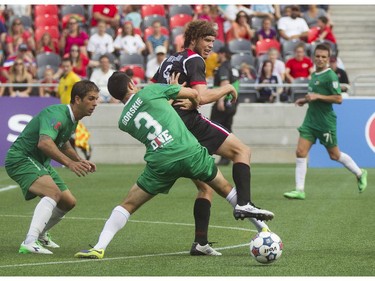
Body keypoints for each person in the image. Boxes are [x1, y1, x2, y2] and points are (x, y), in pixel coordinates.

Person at [74, 71, 274, 259]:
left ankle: (99, 247)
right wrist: (178, 91)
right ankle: (263, 229)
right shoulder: (152, 90)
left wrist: (166, 97)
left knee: (128, 204)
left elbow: (155, 113)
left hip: (161, 163)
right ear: (131, 84)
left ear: (116, 97)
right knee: (225, 189)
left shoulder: (123, 121)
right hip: (188, 152)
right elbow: (193, 93)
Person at [152, 20, 272, 256]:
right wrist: (226, 88)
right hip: (189, 123)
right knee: (242, 151)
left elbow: (154, 93)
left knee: (205, 187)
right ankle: (244, 203)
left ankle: (200, 243)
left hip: (168, 129)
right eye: (207, 40)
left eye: (213, 42)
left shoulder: (169, 60)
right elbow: (203, 96)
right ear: (194, 38)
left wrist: (179, 99)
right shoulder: (194, 59)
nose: (210, 46)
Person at [5, 80, 99, 254]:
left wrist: (79, 159)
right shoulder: (55, 113)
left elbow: (63, 144)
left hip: (39, 162)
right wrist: (70, 163)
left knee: (68, 202)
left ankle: (41, 235)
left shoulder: (73, 119)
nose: (95, 103)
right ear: (77, 99)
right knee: (53, 193)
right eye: (91, 98)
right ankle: (30, 241)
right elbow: (45, 143)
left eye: (96, 99)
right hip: (21, 158)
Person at [283, 43, 368, 200]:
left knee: (334, 155)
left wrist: (317, 97)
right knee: (300, 152)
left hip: (325, 122)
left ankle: (359, 172)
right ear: (314, 57)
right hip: (310, 120)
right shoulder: (314, 75)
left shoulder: (331, 76)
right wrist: (305, 100)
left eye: (324, 57)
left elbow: (338, 98)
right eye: (318, 56)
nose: (320, 59)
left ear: (328, 59)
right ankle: (299, 189)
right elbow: (315, 96)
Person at [210, 46, 239, 165]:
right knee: (227, 130)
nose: (217, 56)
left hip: (224, 102)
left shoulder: (223, 68)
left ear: (223, 54)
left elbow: (225, 84)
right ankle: (227, 157)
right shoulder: (233, 67)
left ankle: (207, 157)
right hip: (232, 103)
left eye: (219, 54)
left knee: (212, 129)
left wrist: (220, 101)